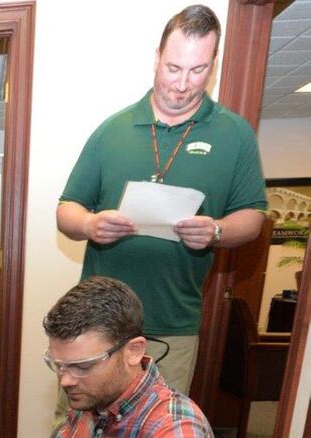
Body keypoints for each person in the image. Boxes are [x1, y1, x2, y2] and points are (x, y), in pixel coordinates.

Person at [56, 4, 266, 398]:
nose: (183, 83)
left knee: (160, 427)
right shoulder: (112, 130)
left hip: (174, 324)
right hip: (98, 324)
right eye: (173, 68)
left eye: (198, 70)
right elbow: (67, 209)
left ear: (213, 65)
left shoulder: (234, 135)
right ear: (156, 58)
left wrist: (217, 230)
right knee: (81, 425)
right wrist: (89, 225)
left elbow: (253, 217)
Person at [44, 276, 214, 438]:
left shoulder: (174, 429)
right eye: (59, 365)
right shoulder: (91, 397)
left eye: (83, 366)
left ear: (134, 351)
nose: (65, 381)